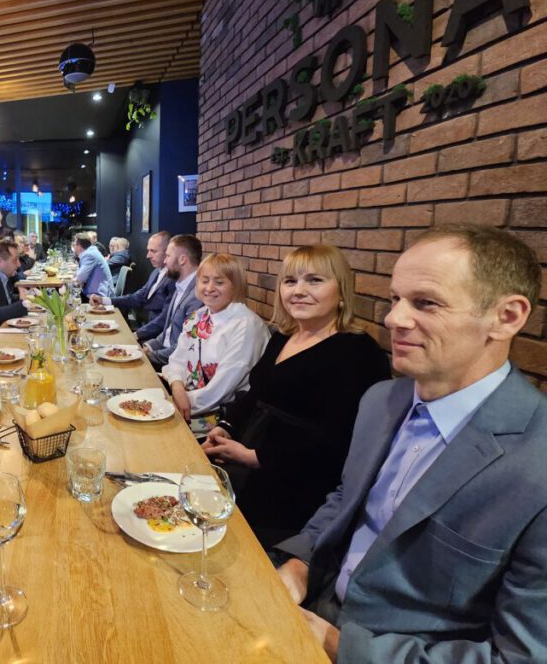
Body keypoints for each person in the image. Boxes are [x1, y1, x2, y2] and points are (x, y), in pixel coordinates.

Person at [272, 226, 545, 662]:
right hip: (311, 606)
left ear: (506, 317)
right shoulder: (382, 399)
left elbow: (520, 656)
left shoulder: (535, 460)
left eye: (426, 303)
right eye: (396, 298)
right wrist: (300, 565)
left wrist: (338, 645)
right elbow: (347, 500)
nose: (393, 318)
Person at [202, 244, 389, 547]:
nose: (299, 291)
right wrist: (226, 427)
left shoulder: (358, 353)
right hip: (246, 462)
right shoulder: (283, 336)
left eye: (314, 280)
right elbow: (256, 394)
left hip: (295, 494)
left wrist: (254, 457)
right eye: (290, 281)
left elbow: (340, 441)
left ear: (341, 291)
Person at [162, 254, 270, 435]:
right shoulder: (199, 315)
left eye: (219, 282)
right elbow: (177, 359)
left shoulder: (246, 325)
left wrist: (174, 402)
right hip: (183, 399)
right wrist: (177, 386)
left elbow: (221, 391)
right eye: (204, 281)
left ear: (236, 286)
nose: (209, 288)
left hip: (220, 420)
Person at [91, 231, 175, 342]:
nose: (148, 256)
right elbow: (137, 297)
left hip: (157, 339)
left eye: (153, 251)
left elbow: (163, 320)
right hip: (146, 329)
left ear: (168, 252)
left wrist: (136, 335)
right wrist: (105, 300)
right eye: (148, 250)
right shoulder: (156, 272)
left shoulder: (173, 280)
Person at [142, 234, 203, 368]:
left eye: (168, 256)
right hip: (163, 355)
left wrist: (149, 356)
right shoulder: (180, 285)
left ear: (182, 259)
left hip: (174, 366)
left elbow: (184, 348)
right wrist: (148, 347)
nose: (165, 261)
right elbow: (169, 331)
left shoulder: (197, 296)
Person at [72, 232, 113, 300]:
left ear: (79, 246)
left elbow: (80, 278)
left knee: (68, 294)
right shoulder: (91, 251)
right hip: (97, 293)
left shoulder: (89, 255)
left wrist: (68, 281)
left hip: (99, 298)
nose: (73, 247)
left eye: (74, 245)